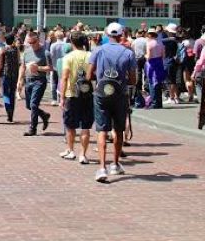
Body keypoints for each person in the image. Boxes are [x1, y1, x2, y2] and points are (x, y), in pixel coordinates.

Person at [88, 23, 137, 183]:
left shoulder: (98, 50)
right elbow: (133, 79)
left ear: (107, 34)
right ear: (121, 34)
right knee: (119, 130)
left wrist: (101, 78)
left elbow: (89, 75)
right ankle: (115, 164)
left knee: (102, 130)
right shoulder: (128, 53)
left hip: (102, 94)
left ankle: (102, 167)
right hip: (120, 94)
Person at [59, 31, 93, 164]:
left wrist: (61, 97)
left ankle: (70, 150)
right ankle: (83, 154)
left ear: (71, 42)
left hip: (71, 94)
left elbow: (65, 77)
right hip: (87, 94)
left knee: (70, 125)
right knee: (85, 126)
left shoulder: (68, 57)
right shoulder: (90, 55)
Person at [19, 31, 53, 136]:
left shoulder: (45, 53)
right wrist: (20, 80)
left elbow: (50, 68)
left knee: (33, 104)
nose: (31, 45)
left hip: (39, 81)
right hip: (28, 80)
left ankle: (32, 129)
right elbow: (23, 66)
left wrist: (38, 68)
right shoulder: (26, 52)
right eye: (29, 43)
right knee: (29, 106)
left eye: (33, 42)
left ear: (38, 40)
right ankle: (44, 115)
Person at [0, 33, 21, 122]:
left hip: (5, 74)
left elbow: (1, 64)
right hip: (14, 74)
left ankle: (8, 110)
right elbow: (18, 61)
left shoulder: (3, 50)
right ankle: (11, 114)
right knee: (12, 94)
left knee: (5, 94)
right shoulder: (16, 49)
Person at [145, 29, 165, 109]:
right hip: (159, 62)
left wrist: (145, 56)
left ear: (149, 35)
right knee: (158, 82)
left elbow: (148, 56)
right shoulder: (160, 43)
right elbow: (163, 55)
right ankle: (159, 103)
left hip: (152, 63)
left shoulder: (149, 44)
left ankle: (154, 102)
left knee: (152, 82)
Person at [162, 23, 181, 104]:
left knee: (170, 81)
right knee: (174, 80)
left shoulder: (168, 41)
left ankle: (171, 97)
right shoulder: (176, 40)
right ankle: (176, 97)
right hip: (174, 61)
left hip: (168, 61)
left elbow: (158, 40)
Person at [48, 31, 67, 106]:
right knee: (62, 82)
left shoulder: (53, 45)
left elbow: (51, 56)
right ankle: (61, 98)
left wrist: (50, 65)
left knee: (54, 83)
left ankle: (54, 99)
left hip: (54, 66)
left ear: (56, 36)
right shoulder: (66, 45)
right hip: (64, 66)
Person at [131, 30, 148, 108]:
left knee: (138, 72)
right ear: (143, 34)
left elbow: (132, 49)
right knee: (145, 72)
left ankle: (139, 85)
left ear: (139, 34)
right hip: (144, 57)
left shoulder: (135, 41)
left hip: (137, 58)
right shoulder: (146, 40)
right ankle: (145, 86)